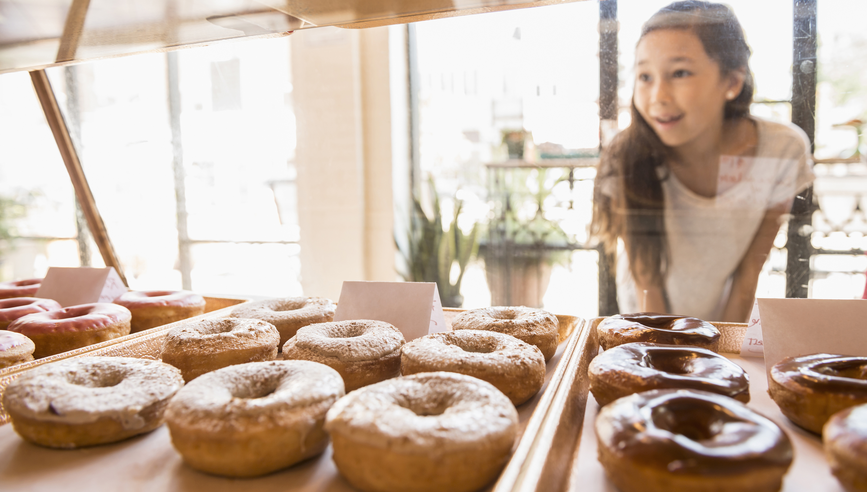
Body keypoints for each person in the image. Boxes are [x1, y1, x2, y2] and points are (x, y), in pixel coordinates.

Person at [591, 1, 814, 322]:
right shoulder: (626, 153)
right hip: (649, 319)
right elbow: (646, 277)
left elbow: (749, 271)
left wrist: (723, 351)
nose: (657, 96)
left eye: (679, 72)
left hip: (723, 314)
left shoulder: (780, 150)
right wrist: (671, 354)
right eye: (644, 76)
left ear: (732, 82)